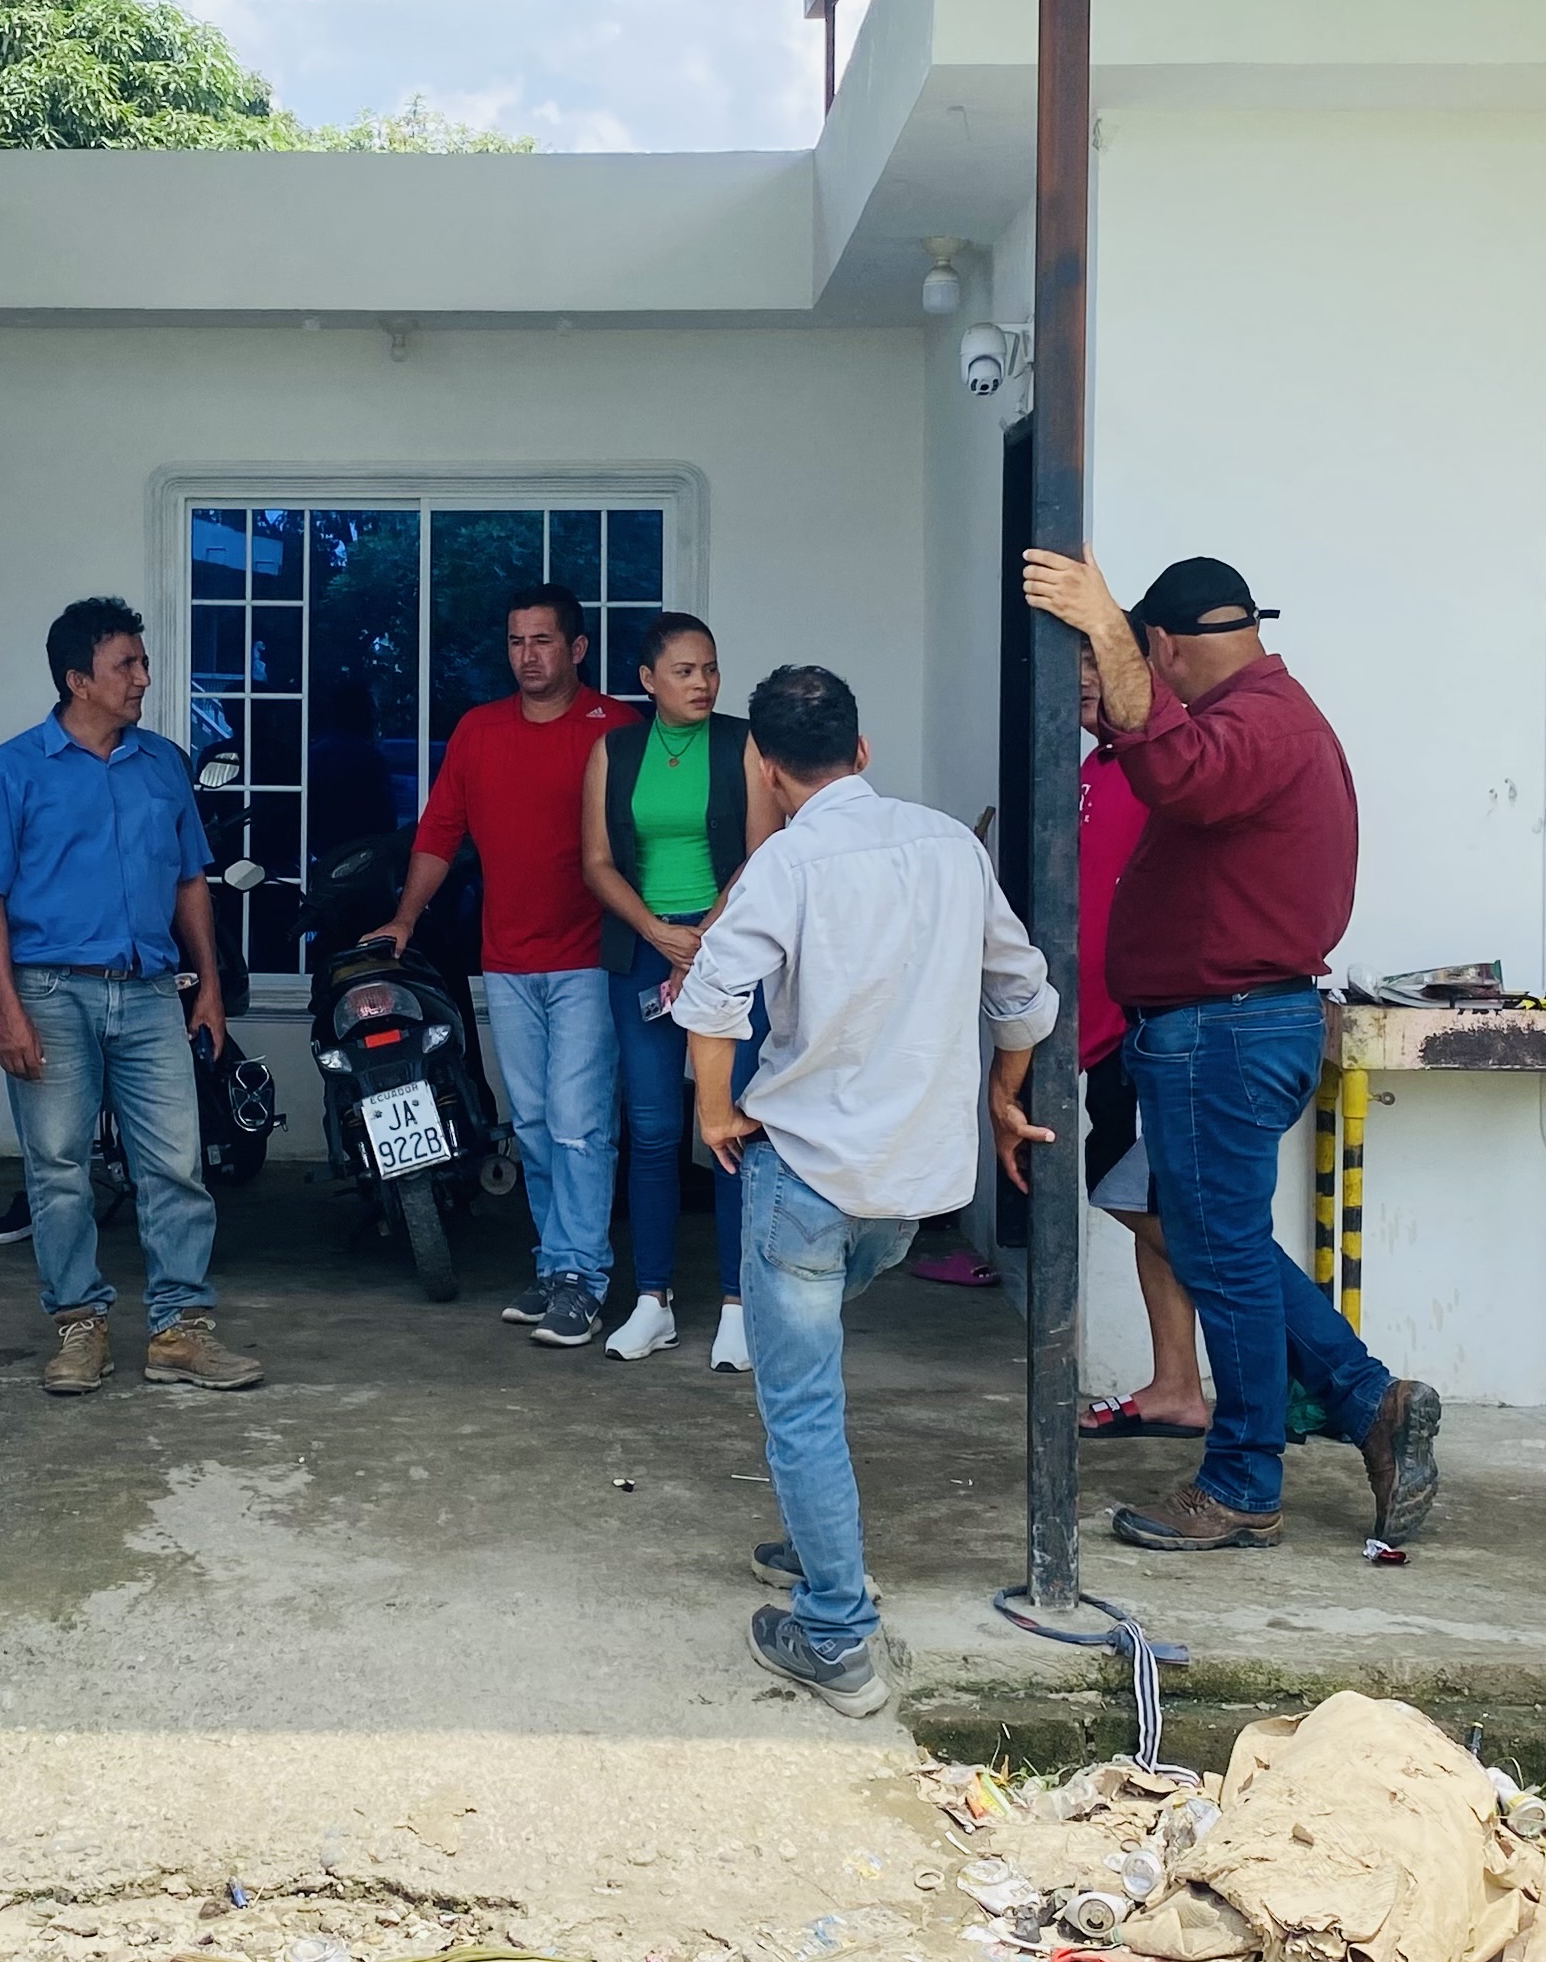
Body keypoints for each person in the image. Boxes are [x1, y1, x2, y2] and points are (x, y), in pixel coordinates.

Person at [1022, 547, 1440, 1553]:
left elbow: (1177, 771)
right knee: (1223, 1245)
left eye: (1136, 658)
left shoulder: (1258, 726)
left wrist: (1107, 631)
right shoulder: (1263, 717)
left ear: (1162, 647)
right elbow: (1170, 761)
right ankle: (1369, 1401)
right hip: (1224, 1026)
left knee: (1225, 1258)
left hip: (1225, 1027)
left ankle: (1245, 1481)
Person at [676, 665, 1058, 1715]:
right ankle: (819, 1544)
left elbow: (712, 996)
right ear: (862, 749)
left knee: (800, 1400)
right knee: (810, 1361)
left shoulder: (786, 863)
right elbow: (1022, 992)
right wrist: (1003, 1095)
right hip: (912, 1190)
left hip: (807, 1174)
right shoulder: (950, 847)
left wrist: (715, 1113)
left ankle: (836, 1633)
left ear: (766, 767)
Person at [0, 596, 265, 1395]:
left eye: (142, 662)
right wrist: (6, 1009)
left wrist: (209, 986)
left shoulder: (162, 764)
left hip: (153, 991)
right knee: (59, 1167)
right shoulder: (15, 768)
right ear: (77, 679)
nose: (143, 678)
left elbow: (190, 880)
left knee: (177, 1165)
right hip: (51, 992)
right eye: (125, 664)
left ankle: (180, 1330)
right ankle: (79, 1326)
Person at [375, 583, 637, 1347]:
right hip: (509, 960)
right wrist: (405, 916)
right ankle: (556, 1264)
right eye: (517, 641)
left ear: (577, 648)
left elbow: (653, 835)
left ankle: (584, 1280)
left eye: (543, 640)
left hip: (591, 957)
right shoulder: (479, 730)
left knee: (581, 1124)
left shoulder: (617, 728)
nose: (528, 655)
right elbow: (439, 832)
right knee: (536, 1125)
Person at [576, 612, 775, 1367]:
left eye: (711, 669)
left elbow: (763, 851)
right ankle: (651, 1300)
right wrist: (659, 934)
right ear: (647, 680)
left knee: (730, 1127)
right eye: (686, 671)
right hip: (643, 950)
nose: (703, 683)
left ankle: (737, 1304)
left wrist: (702, 939)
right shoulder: (615, 750)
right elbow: (597, 861)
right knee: (654, 1129)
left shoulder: (742, 742)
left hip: (728, 949)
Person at [1072, 646, 1213, 1441]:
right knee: (1139, 1198)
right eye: (1074, 663)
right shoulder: (1096, 767)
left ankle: (1294, 1348)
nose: (1083, 678)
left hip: (1153, 1026)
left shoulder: (1169, 767)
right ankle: (1176, 1386)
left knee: (1161, 1207)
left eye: (1098, 661)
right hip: (1104, 1030)